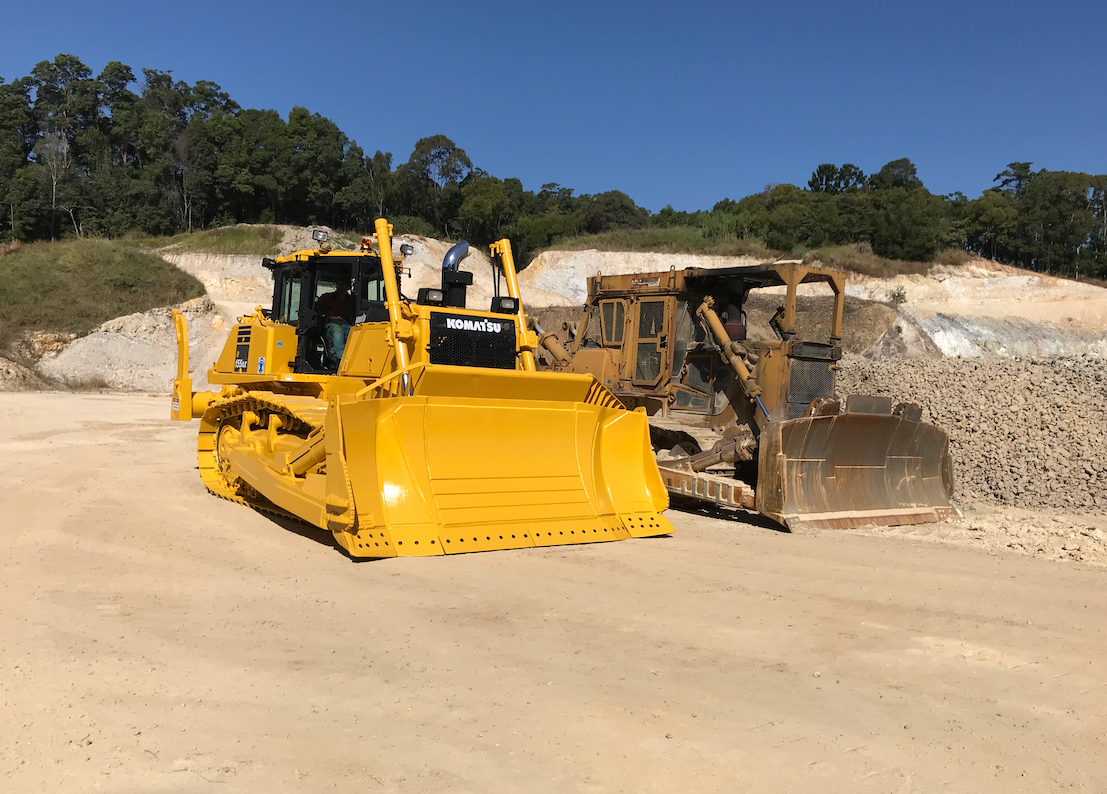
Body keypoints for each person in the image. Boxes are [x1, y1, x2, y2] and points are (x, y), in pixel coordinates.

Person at [316, 281, 354, 364]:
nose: (341, 287)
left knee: (354, 333)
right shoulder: (326, 298)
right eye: (340, 284)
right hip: (331, 323)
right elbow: (317, 309)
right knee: (338, 331)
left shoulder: (352, 300)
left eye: (344, 284)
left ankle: (353, 356)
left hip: (346, 323)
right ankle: (341, 357)